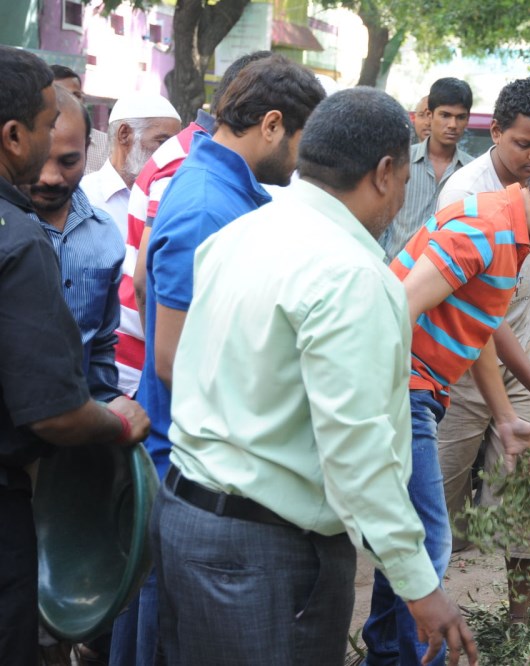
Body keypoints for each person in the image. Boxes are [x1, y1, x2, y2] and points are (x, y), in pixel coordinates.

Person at [150, 86, 478, 666]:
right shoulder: (351, 275)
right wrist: (420, 585)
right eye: (405, 183)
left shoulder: (240, 233)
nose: (402, 201)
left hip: (187, 522)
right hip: (265, 554)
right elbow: (358, 452)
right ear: (384, 173)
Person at [363, 157, 530, 666]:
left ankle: (389, 653)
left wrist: (504, 417)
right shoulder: (486, 230)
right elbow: (396, 308)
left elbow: (477, 327)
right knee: (430, 543)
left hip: (420, 389)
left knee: (409, 539)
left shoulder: (509, 233)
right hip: (405, 388)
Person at [109, 51, 279, 666]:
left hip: (167, 421)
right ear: (270, 120)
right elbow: (166, 340)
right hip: (172, 429)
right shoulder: (198, 185)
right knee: (156, 597)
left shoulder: (201, 170)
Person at [0, 46, 150, 666]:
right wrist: (115, 423)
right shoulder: (19, 240)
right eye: (42, 129)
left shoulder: (98, 240)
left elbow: (98, 356)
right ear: (14, 137)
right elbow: (56, 414)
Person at [434, 78, 530, 621]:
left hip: (524, 350)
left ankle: (520, 615)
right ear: (497, 133)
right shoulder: (464, 194)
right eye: (524, 144)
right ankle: (426, 618)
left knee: (524, 486)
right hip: (463, 361)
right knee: (438, 497)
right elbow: (479, 319)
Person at [114, 50, 273, 400]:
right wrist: (160, 357)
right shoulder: (189, 161)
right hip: (140, 362)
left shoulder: (194, 150)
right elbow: (144, 279)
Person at [19, 86, 124, 404]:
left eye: (67, 161)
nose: (50, 177)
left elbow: (102, 344)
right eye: (40, 160)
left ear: (88, 149)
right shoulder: (9, 228)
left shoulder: (105, 235)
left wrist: (109, 404)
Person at [378, 78, 473, 262]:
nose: (453, 124)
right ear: (430, 115)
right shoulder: (400, 160)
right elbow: (381, 220)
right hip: (394, 274)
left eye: (460, 117)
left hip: (443, 281)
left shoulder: (472, 171)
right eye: (445, 115)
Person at [80, 92, 181, 239]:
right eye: (162, 142)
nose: (172, 153)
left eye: (175, 144)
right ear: (124, 134)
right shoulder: (84, 196)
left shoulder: (172, 196)